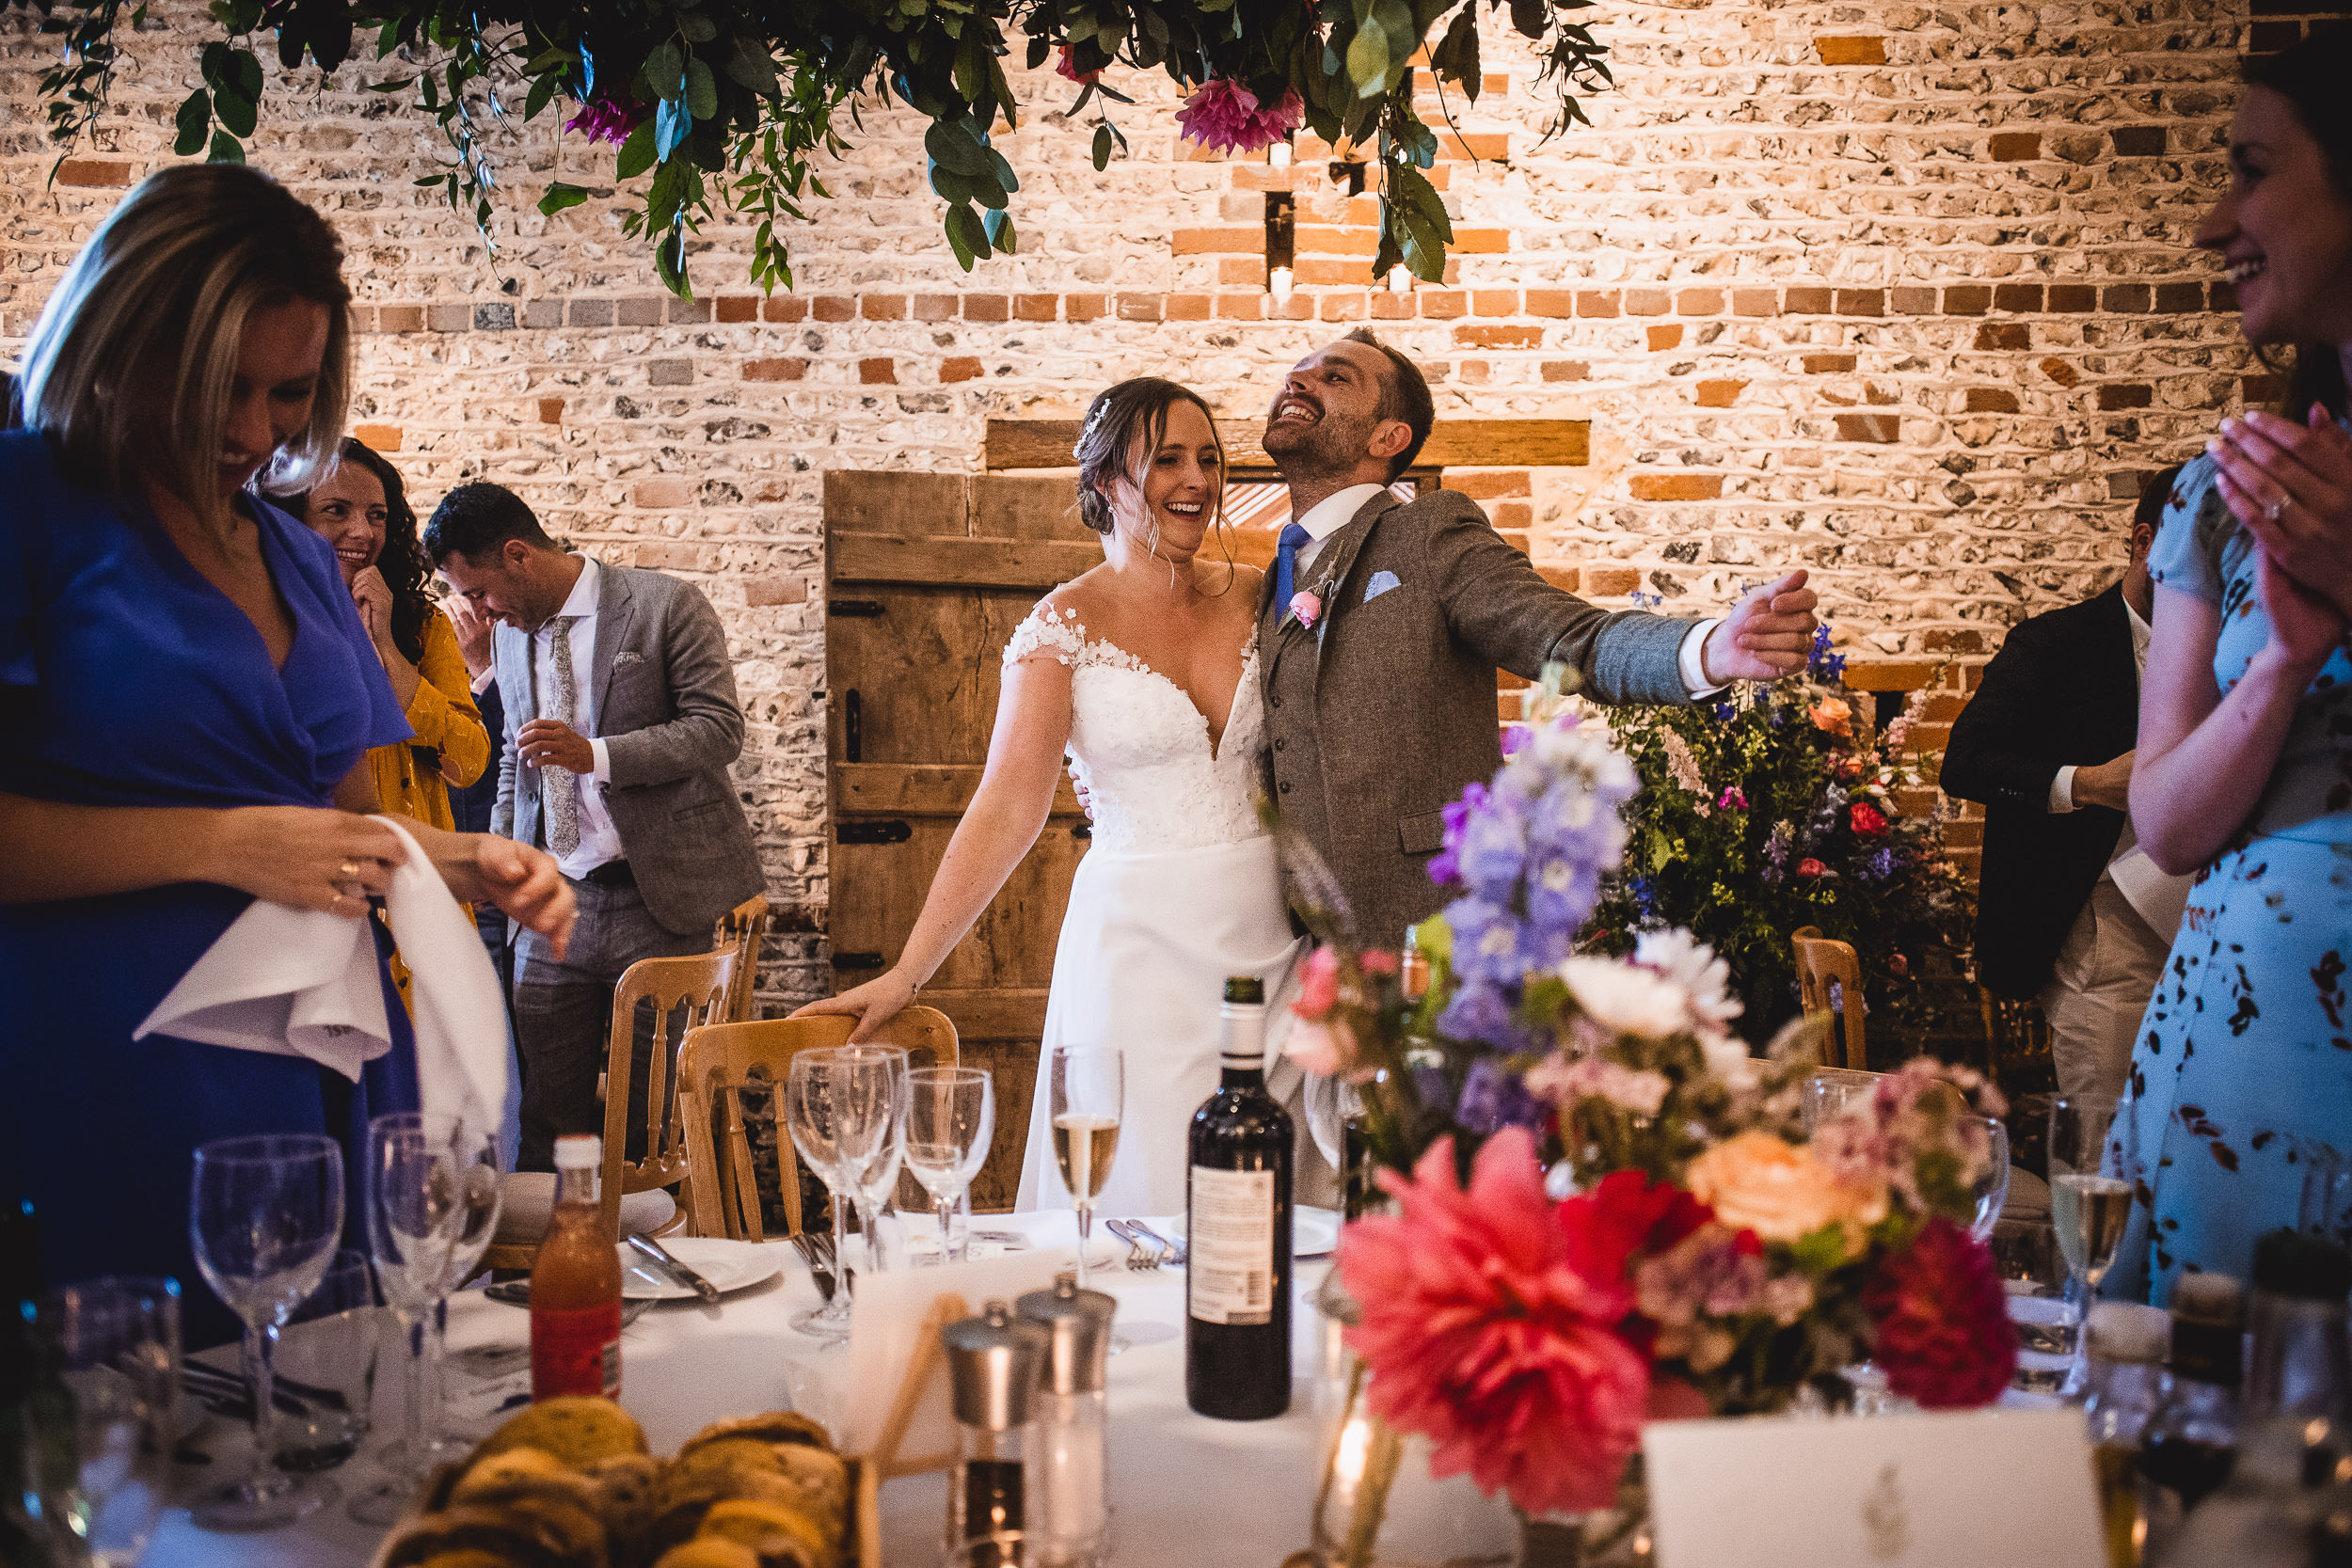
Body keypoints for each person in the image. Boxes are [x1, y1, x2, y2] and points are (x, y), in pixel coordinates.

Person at [0, 166, 573, 1341]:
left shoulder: (300, 555)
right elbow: (260, 830)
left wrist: (463, 859)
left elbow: (343, 815)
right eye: (218, 387)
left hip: (322, 1049)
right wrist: (219, 844)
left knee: (325, 1402)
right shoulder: (30, 502)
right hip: (101, 1048)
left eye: (289, 394)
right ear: (119, 336)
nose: (252, 433)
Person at [797, 380, 1299, 1214]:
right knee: (1144, 1189)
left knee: (1268, 1199)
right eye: (1167, 458)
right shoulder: (1060, 629)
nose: (1197, 479)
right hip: (1138, 955)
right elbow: (1007, 807)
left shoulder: (1263, 598)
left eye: (1208, 458)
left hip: (1271, 948)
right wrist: (909, 972)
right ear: (1108, 481)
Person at [1255, 329, 1821, 947]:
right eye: (1298, 371)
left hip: (1432, 936)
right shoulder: (1268, 583)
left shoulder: (1425, 531)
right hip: (1290, 955)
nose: (1299, 381)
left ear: (1388, 437)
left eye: (1335, 377)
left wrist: (1704, 649)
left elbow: (1567, 636)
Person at [2107, 27, 2352, 1304]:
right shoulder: (2222, 493)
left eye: (2253, 170)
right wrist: (2282, 671)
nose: (2214, 225)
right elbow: (2166, 817)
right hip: (2250, 1035)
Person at [427, 483, 764, 1172]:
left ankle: (657, 1267)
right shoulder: (513, 642)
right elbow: (518, 773)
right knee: (546, 1114)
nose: (481, 613)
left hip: (661, 903)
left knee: (655, 1118)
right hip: (556, 908)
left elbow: (719, 729)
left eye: (482, 592)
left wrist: (597, 756)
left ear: (518, 554)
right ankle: (562, 1262)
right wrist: (502, 863)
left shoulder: (665, 605)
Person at [1940, 467, 2194, 1102]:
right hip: (2102, 926)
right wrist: (2085, 783)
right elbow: (1965, 760)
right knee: (2108, 1151)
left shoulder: (2230, 654)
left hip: (2208, 930)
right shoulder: (2054, 644)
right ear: (2144, 542)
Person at [278, 438, 491, 836]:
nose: (362, 531)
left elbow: (470, 764)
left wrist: (386, 648)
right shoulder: (260, 622)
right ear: (289, 519)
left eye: (377, 515)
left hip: (413, 876)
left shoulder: (423, 624)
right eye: (336, 510)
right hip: (304, 869)